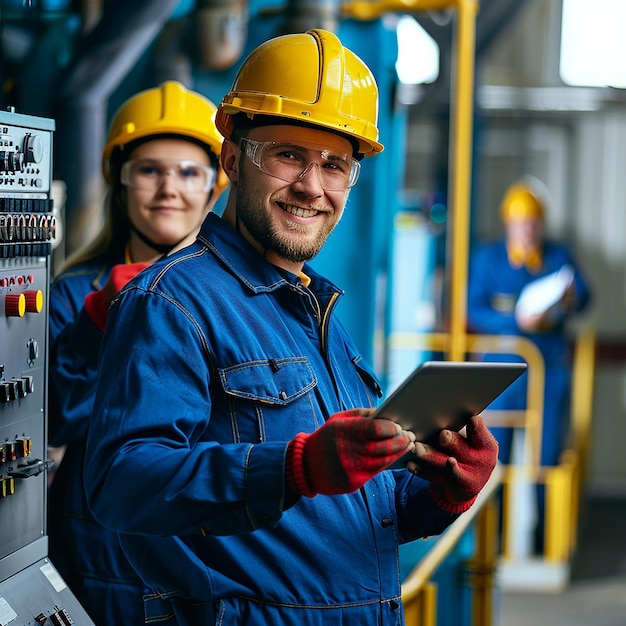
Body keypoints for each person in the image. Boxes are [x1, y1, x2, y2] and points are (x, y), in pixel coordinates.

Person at [83, 29, 498, 625]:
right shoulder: (171, 303)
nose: (312, 186)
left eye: (335, 165)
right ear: (231, 159)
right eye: (288, 155)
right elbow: (121, 483)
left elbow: (350, 520)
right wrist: (293, 466)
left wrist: (441, 491)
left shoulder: (318, 313)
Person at [47, 80, 226, 625]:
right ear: (119, 181)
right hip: (97, 555)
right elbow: (53, 419)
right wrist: (96, 325)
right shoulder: (73, 295)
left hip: (207, 556)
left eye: (189, 172)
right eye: (149, 169)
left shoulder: (236, 302)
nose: (168, 188)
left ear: (215, 187)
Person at [467, 179, 591, 549]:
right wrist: (515, 324)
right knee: (494, 459)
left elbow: (585, 295)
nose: (528, 230)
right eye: (521, 223)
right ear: (508, 223)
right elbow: (472, 310)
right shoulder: (488, 259)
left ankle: (545, 544)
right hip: (502, 375)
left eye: (533, 223)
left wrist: (570, 299)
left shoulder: (557, 256)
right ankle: (493, 541)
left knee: (546, 460)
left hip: (549, 372)